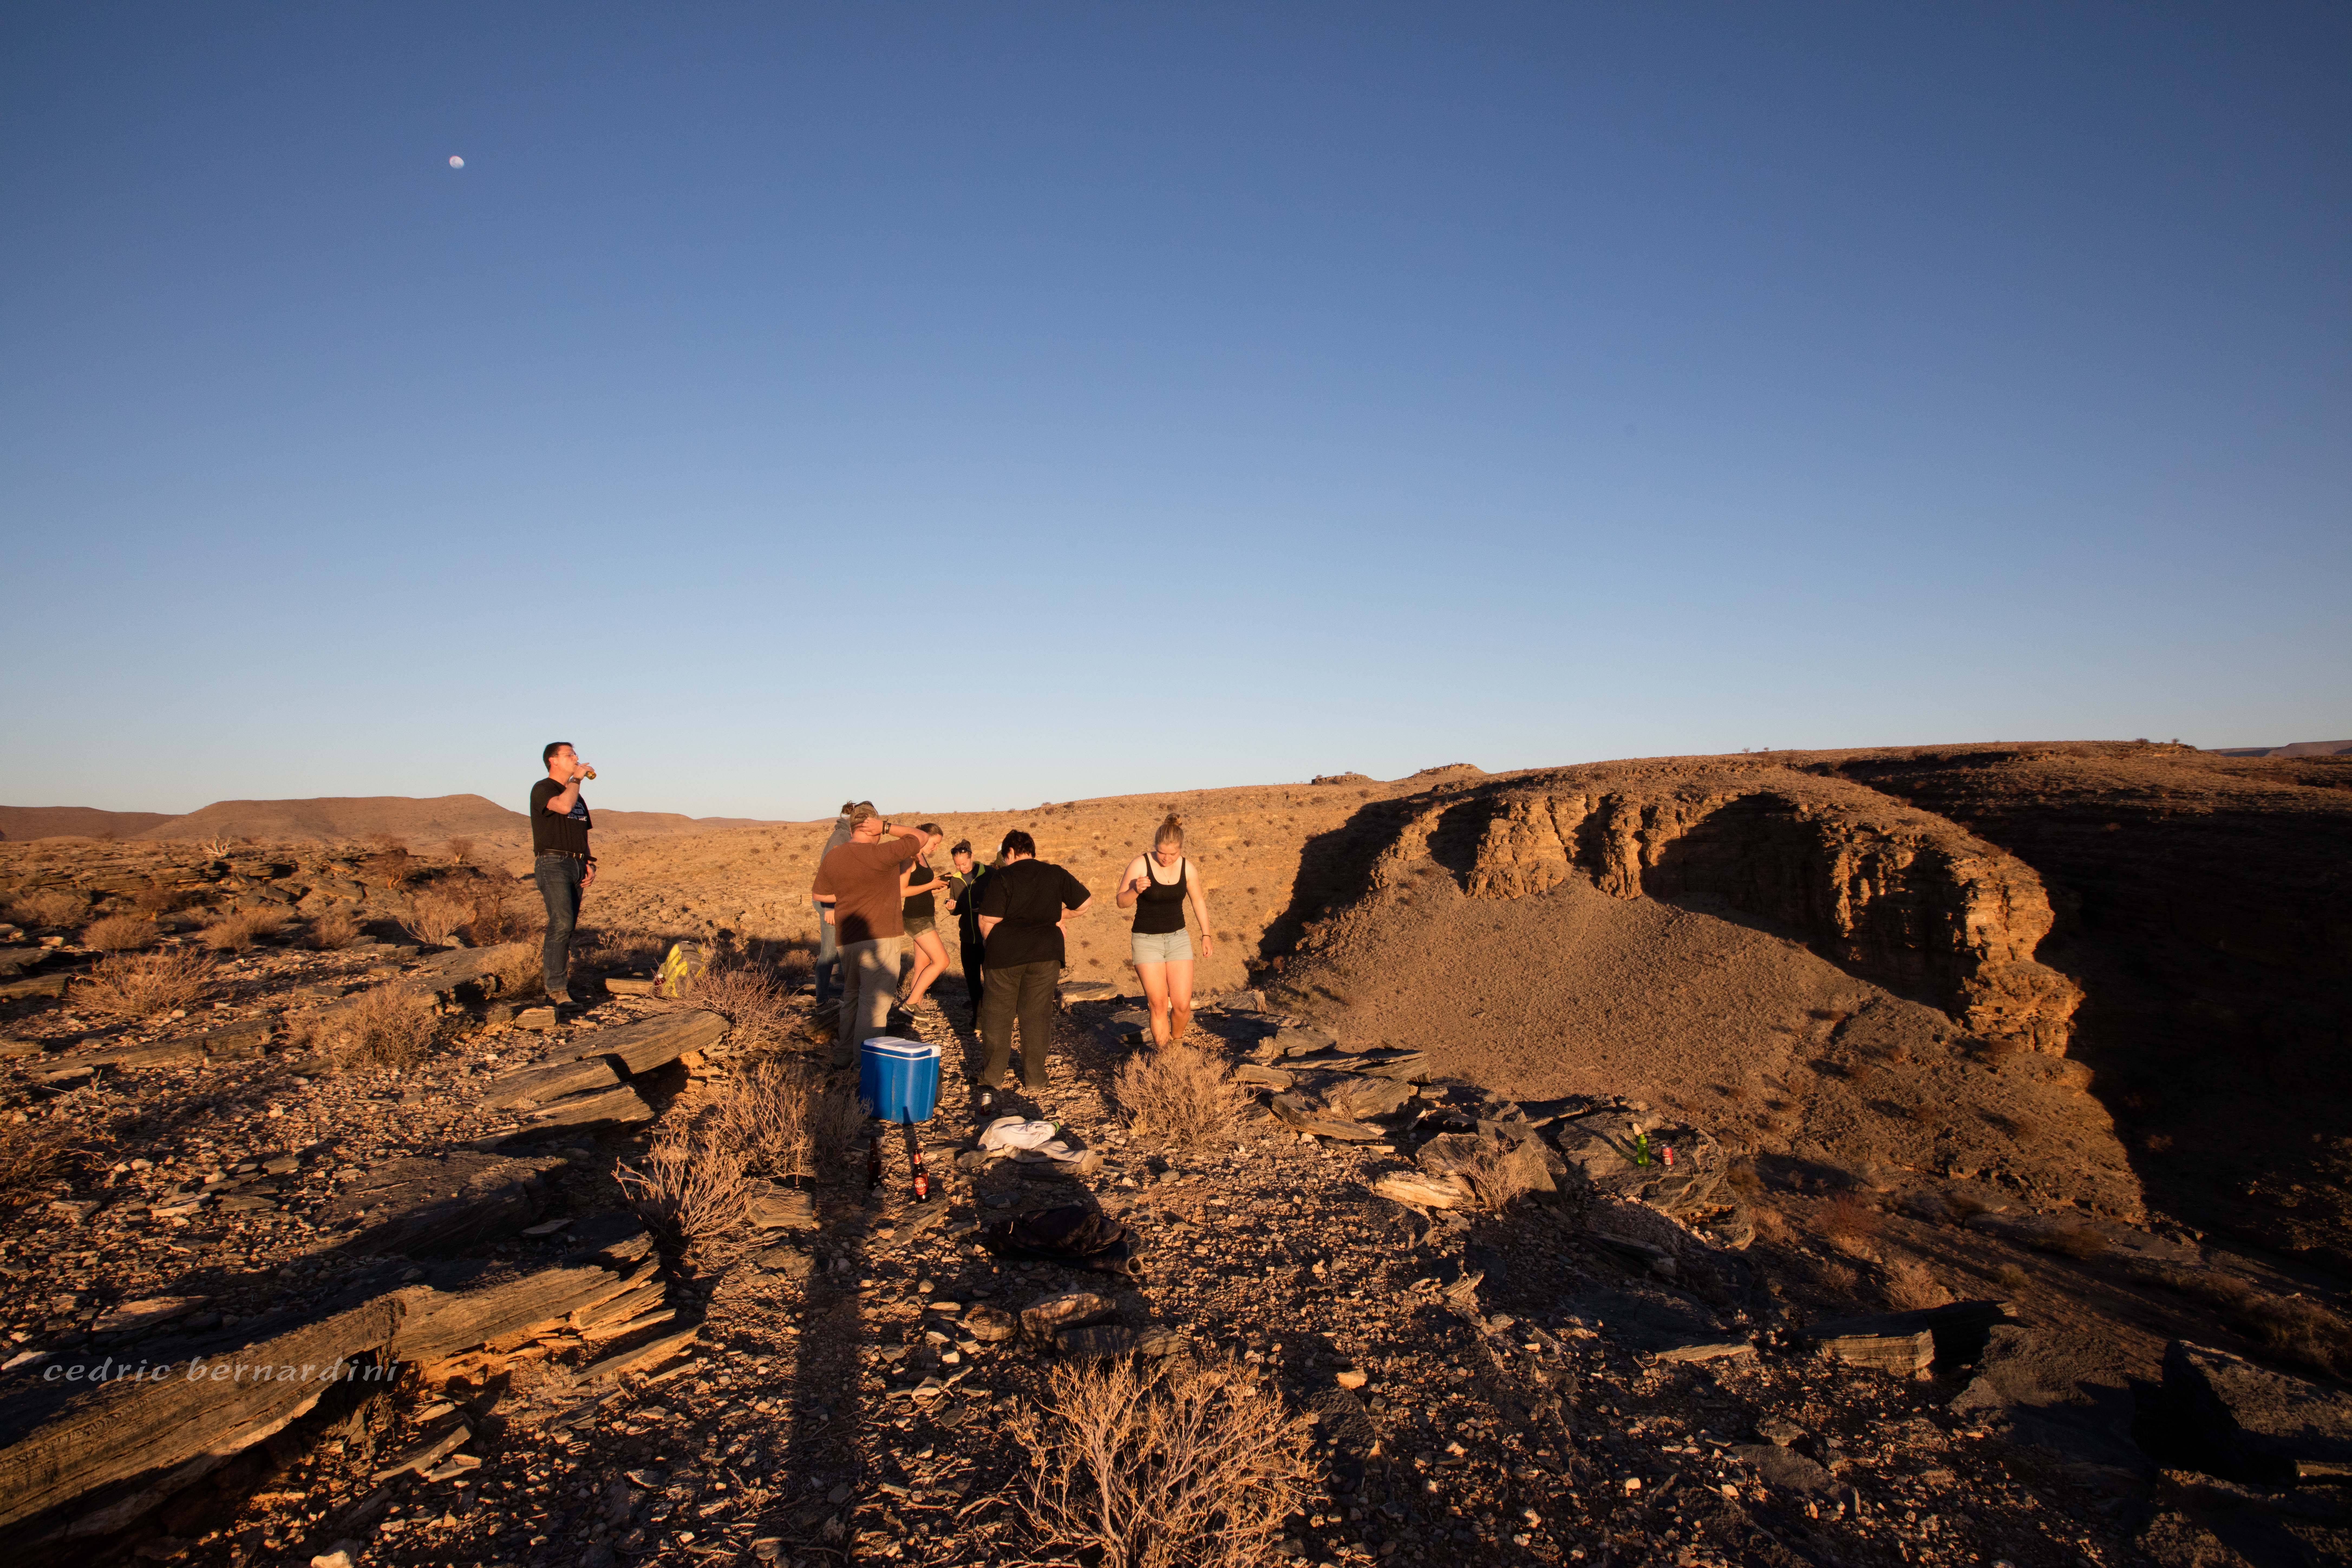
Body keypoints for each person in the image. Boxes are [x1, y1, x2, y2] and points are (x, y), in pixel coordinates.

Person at [810, 805, 933, 1066]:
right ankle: (864, 1067)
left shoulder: (835, 856)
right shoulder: (883, 853)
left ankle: (843, 1057)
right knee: (875, 1004)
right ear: (872, 826)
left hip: (848, 940)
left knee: (851, 997)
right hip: (881, 937)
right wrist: (887, 828)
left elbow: (819, 896)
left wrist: (847, 896)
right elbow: (920, 838)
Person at [975, 829, 1091, 1103]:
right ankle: (1036, 1078)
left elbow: (987, 920)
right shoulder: (1055, 873)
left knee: (998, 1016)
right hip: (1046, 954)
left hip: (1005, 955)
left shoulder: (1003, 876)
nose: (1004, 861)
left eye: (1005, 856)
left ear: (1012, 852)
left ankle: (992, 1077)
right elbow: (1085, 902)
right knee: (1037, 1016)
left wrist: (996, 944)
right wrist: (1061, 916)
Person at [1116, 813, 1216, 1048]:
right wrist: (1135, 891)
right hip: (1146, 940)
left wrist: (1206, 935)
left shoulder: (1188, 868)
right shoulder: (1140, 864)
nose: (1167, 858)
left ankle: (1177, 1045)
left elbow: (1198, 901)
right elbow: (1121, 902)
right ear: (1155, 846)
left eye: (1173, 853)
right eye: (1162, 853)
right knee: (1159, 1004)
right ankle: (1165, 1056)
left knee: (1182, 1005)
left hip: (1178, 939)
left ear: (1181, 848)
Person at [529, 742, 596, 1006]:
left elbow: (581, 831)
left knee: (567, 928)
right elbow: (564, 807)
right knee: (561, 923)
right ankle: (555, 991)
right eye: (570, 755)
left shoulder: (576, 794)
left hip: (576, 864)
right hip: (554, 862)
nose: (576, 758)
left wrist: (589, 863)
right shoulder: (544, 788)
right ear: (553, 760)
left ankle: (562, 988)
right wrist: (577, 779)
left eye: (576, 754)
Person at [898, 823, 952, 1011]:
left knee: (922, 964)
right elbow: (902, 891)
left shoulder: (922, 858)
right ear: (924, 837)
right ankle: (911, 1004)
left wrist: (938, 887)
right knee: (942, 961)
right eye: (934, 843)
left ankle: (916, 1009)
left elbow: (922, 890)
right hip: (915, 918)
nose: (935, 848)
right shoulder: (909, 858)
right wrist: (931, 886)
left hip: (926, 915)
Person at [810, 801, 857, 1005]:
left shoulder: (846, 835)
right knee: (829, 953)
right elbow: (830, 871)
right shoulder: (841, 838)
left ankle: (834, 996)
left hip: (837, 901)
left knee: (840, 951)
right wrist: (831, 907)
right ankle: (822, 1000)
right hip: (831, 903)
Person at [943, 840, 988, 1013]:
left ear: (973, 857)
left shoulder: (989, 874)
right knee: (972, 979)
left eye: (964, 864)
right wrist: (952, 908)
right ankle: (978, 1014)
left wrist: (986, 907)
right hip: (968, 937)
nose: (961, 868)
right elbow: (958, 910)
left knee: (991, 978)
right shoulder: (956, 880)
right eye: (957, 865)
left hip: (988, 936)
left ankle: (993, 1013)